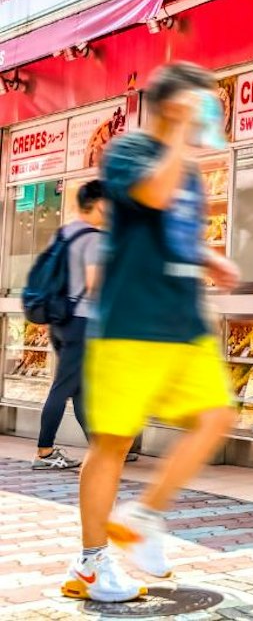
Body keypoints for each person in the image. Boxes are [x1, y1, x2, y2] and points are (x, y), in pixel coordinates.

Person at [66, 64, 241, 603]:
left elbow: (173, 232)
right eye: (202, 101)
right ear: (173, 103)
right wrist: (179, 138)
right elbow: (154, 196)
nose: (211, 110)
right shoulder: (130, 151)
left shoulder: (184, 166)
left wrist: (210, 258)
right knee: (113, 444)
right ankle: (92, 564)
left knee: (217, 418)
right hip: (130, 325)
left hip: (183, 325)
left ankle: (143, 515)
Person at [33, 181, 106, 471]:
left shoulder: (64, 233)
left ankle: (101, 449)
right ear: (100, 204)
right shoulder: (93, 239)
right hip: (81, 320)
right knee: (64, 387)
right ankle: (44, 451)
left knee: (80, 388)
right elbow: (93, 283)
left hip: (60, 319)